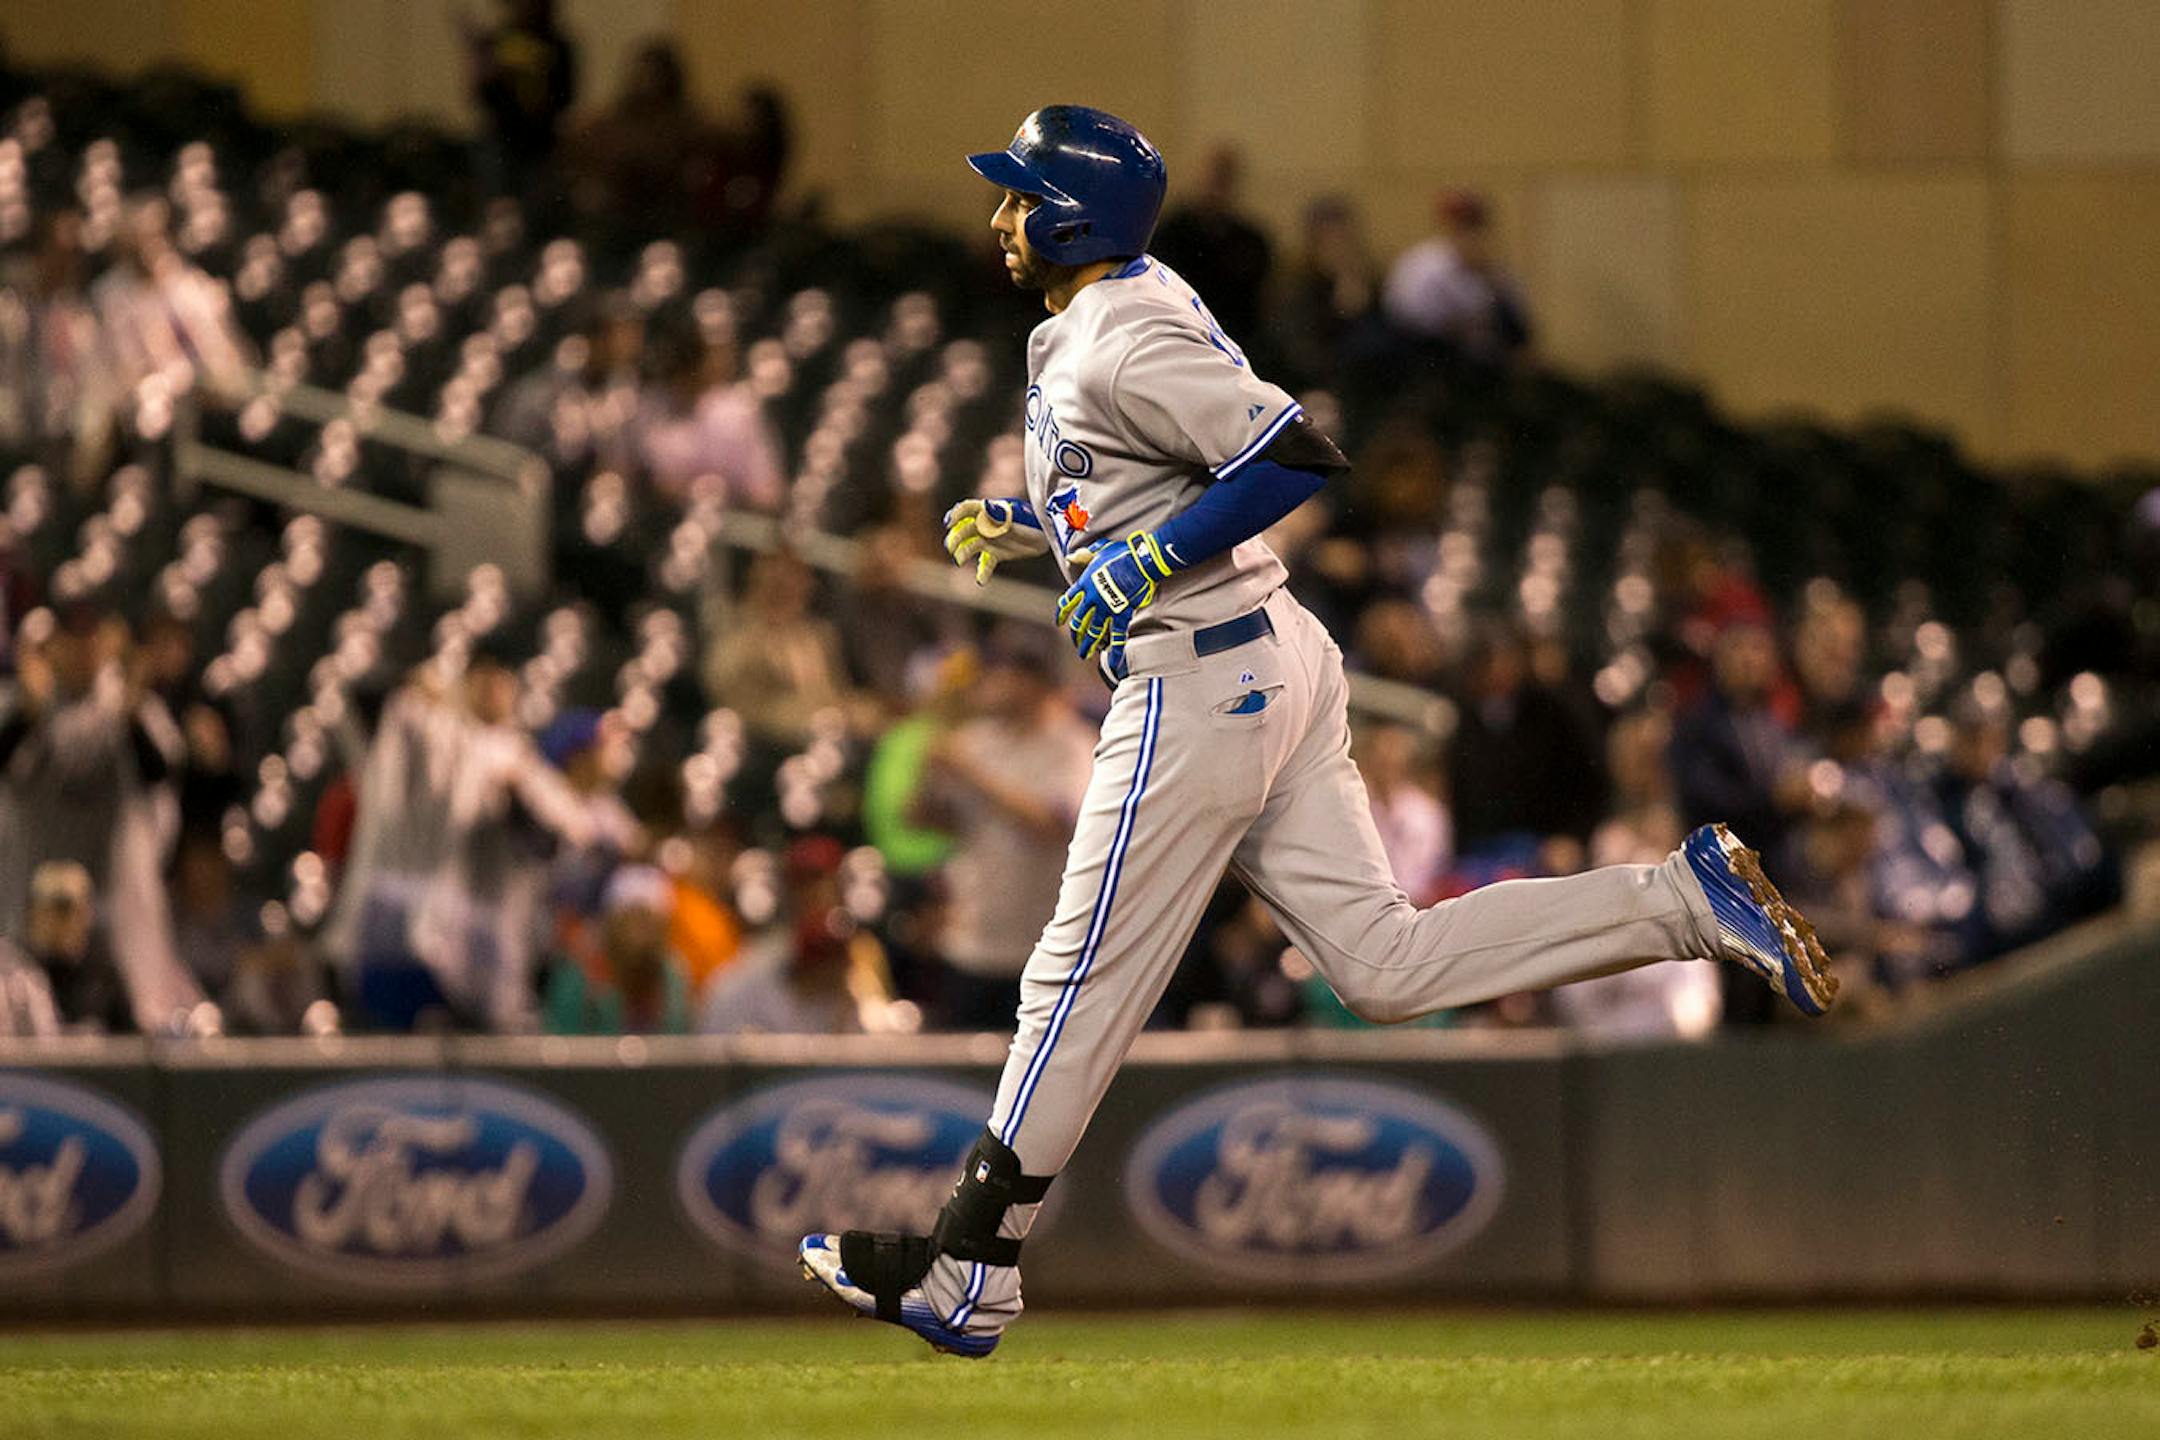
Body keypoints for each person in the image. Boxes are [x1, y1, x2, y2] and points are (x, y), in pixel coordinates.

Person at [797, 106, 1835, 1357]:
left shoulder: (1118, 332)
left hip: (1202, 678)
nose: (1003, 215)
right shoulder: (1109, 313)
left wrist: (1148, 555)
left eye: (1022, 196)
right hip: (1263, 656)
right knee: (1383, 966)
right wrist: (1047, 527)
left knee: (1076, 977)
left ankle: (969, 1262)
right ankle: (1682, 902)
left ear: (1075, 214)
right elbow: (1158, 466)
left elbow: (1299, 453)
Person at [913, 633, 1094, 1030]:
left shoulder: (1073, 745)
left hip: (1042, 949)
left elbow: (1054, 827)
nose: (992, 682)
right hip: (971, 945)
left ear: (1034, 681)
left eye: (1004, 673)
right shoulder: (974, 740)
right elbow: (929, 822)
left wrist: (973, 777)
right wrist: (928, 774)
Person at [700, 835, 891, 1035]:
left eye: (819, 880)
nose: (812, 893)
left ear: (837, 885)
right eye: (801, 883)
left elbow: (877, 1020)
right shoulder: (767, 953)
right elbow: (723, 1003)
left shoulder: (863, 950)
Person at [1381, 189, 1533, 366]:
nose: (1470, 234)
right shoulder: (1422, 266)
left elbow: (1520, 332)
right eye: (1461, 226)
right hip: (1429, 356)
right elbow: (1406, 322)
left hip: (1482, 358)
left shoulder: (1496, 270)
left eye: (1474, 226)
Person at [1147, 145, 1272, 350]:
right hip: (1175, 335)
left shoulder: (1251, 242)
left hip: (1233, 341)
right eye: (1214, 176)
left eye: (1225, 179)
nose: (1217, 187)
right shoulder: (1169, 234)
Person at [543, 864, 692, 1035]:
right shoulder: (576, 978)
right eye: (630, 917)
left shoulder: (673, 976)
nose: (638, 932)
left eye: (646, 919)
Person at [459, 0, 579, 203]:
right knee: (496, 201)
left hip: (543, 140)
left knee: (539, 203)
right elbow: (479, 95)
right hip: (500, 137)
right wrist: (482, 62)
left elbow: (566, 96)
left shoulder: (558, 44)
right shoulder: (498, 41)